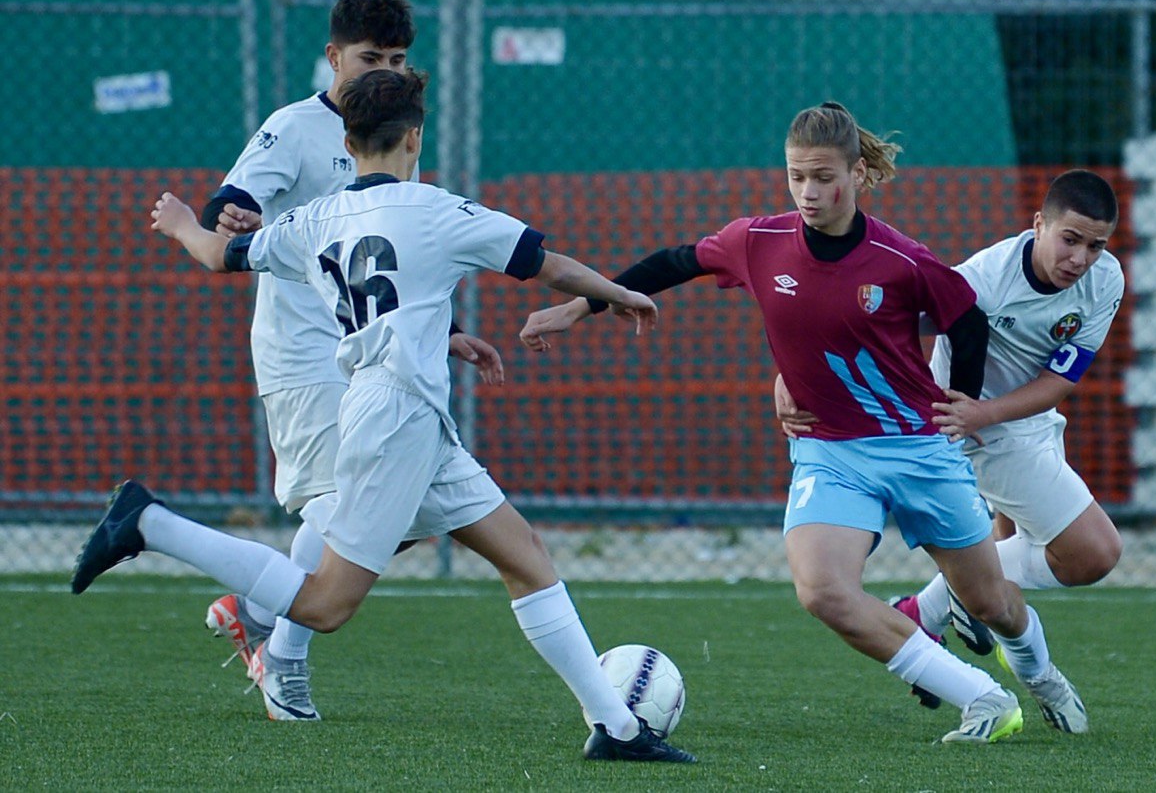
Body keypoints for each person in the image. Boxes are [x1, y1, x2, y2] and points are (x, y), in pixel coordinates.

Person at [72, 68, 696, 763]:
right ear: (415, 137)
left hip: (409, 416)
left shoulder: (313, 220)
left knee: (526, 557)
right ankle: (149, 524)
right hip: (396, 419)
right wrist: (620, 294)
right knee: (323, 606)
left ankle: (616, 729)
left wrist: (185, 226)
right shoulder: (437, 210)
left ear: (347, 139)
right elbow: (546, 264)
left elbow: (223, 255)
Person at [519, 101, 1088, 742]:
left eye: (823, 176)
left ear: (858, 175)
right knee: (822, 591)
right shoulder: (757, 241)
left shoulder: (902, 260)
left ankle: (1043, 679)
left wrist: (962, 399)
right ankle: (982, 697)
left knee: (995, 606)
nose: (809, 192)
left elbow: (966, 319)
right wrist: (581, 306)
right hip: (829, 450)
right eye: (796, 176)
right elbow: (674, 262)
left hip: (918, 449)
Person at [198, 0, 503, 720]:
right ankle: (283, 655)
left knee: (398, 511)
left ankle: (264, 609)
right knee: (350, 507)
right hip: (304, 358)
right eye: (370, 58)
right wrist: (226, 213)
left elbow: (399, 255)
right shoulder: (295, 128)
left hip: (375, 360)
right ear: (334, 56)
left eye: (397, 59)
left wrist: (441, 332)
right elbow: (227, 205)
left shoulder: (392, 134)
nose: (384, 72)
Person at [776, 169, 1125, 691]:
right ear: (1038, 226)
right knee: (1095, 553)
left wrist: (988, 413)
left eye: (1094, 246)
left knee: (1001, 574)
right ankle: (946, 608)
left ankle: (931, 607)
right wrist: (795, 371)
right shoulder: (983, 279)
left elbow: (1058, 382)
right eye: (1069, 240)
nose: (1080, 258)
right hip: (966, 423)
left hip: (1020, 419)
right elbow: (884, 320)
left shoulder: (1106, 279)